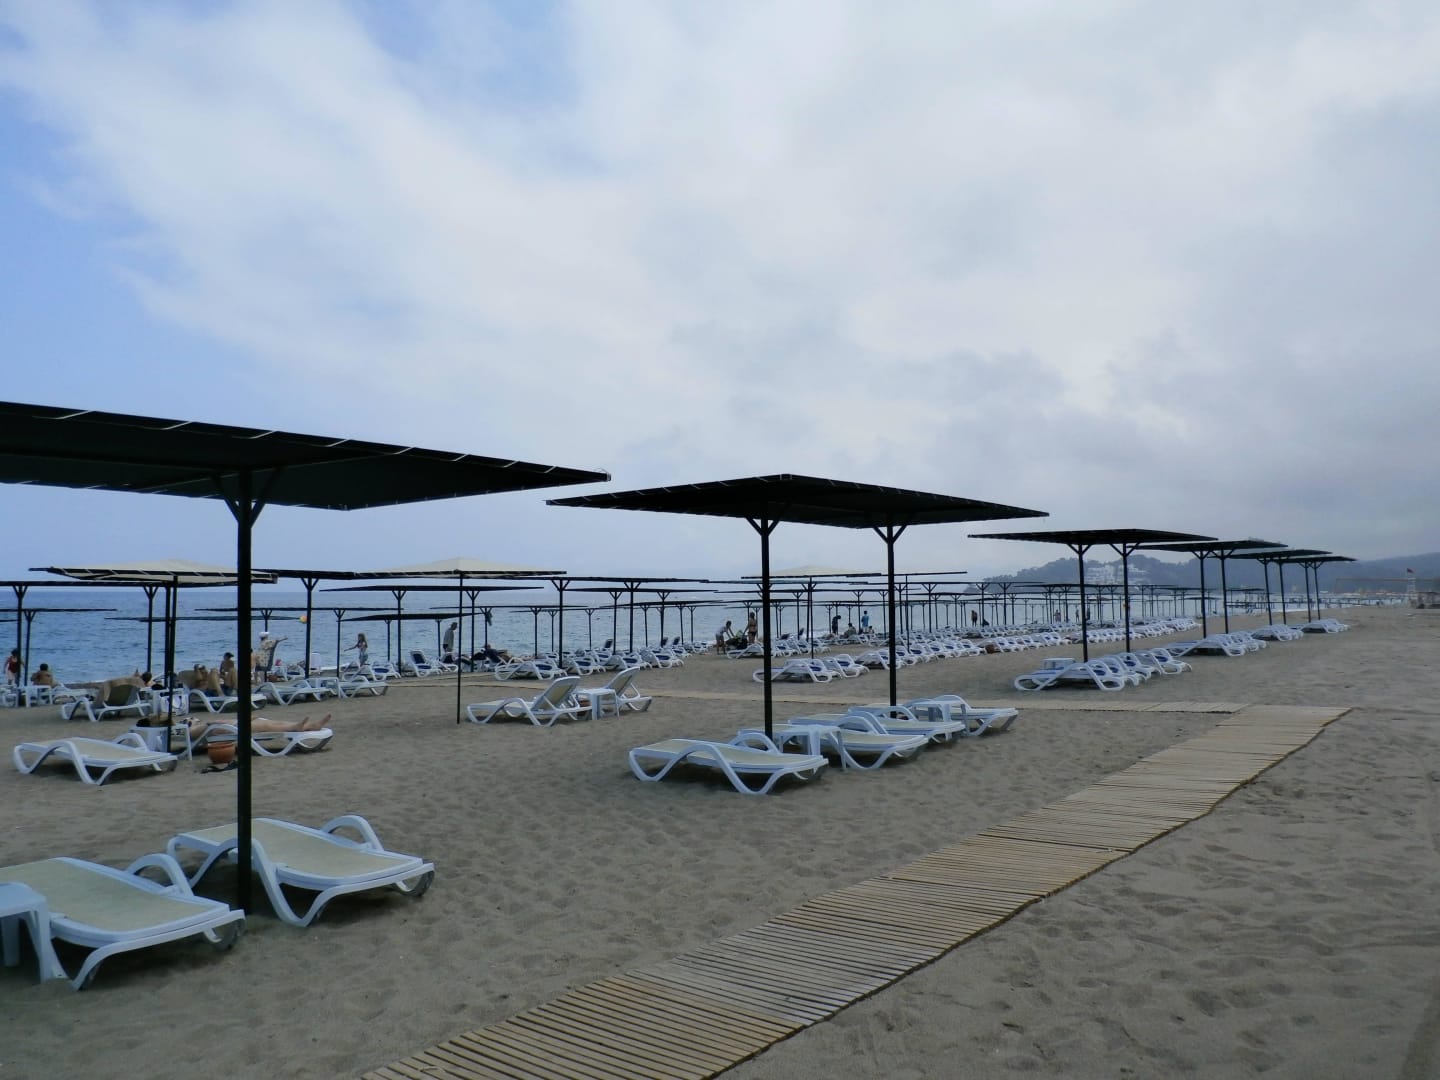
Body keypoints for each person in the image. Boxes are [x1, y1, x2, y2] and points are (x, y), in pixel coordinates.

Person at [187, 711, 332, 739]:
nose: (195, 719)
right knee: (268, 726)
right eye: (192, 719)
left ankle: (311, 725)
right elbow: (215, 726)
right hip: (233, 729)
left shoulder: (199, 726)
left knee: (273, 723)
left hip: (236, 726)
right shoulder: (192, 730)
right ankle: (296, 727)